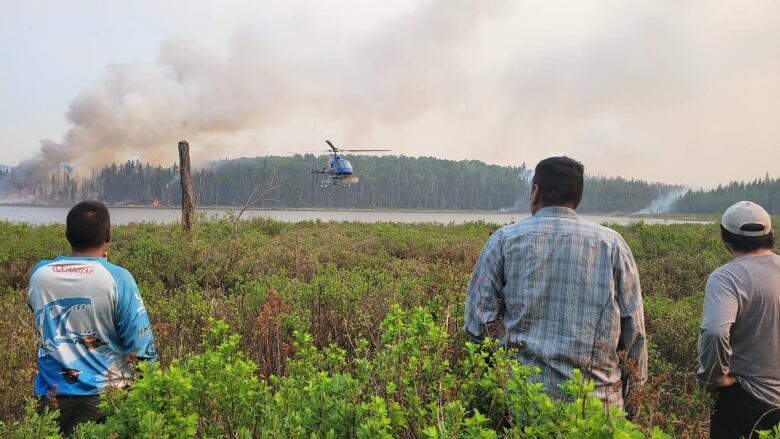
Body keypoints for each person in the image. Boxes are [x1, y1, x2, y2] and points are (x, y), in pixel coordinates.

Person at [464, 156, 647, 412]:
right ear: (578, 198)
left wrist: (501, 371)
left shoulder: (504, 240)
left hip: (524, 406)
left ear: (535, 192)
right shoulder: (613, 245)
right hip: (599, 412)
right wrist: (632, 404)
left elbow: (477, 324)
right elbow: (634, 333)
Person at [27, 201, 157, 435]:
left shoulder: (40, 275)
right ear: (108, 234)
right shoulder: (118, 279)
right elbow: (142, 348)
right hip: (106, 400)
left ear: (67, 235)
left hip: (51, 400)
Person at [698, 201, 780, 438]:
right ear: (769, 234)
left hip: (745, 401)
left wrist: (713, 378)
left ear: (724, 238)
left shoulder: (725, 278)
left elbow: (715, 332)